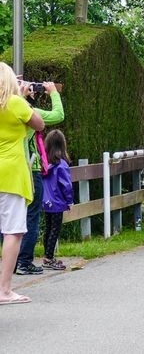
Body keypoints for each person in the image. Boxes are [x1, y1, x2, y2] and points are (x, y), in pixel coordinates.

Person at [0, 62, 45, 304]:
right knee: (13, 231)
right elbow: (39, 124)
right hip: (10, 174)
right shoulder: (15, 103)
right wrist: (21, 95)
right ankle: (4, 289)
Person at [15, 79, 64, 276]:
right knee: (31, 217)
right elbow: (58, 115)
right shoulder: (25, 110)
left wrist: (19, 93)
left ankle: (12, 260)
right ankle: (24, 261)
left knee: (11, 217)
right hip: (29, 167)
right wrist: (52, 92)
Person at [40, 129, 73, 271]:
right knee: (55, 228)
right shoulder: (61, 165)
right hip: (58, 201)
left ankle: (47, 255)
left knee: (48, 228)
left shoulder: (45, 165)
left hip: (46, 200)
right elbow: (66, 185)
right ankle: (49, 257)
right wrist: (70, 200)